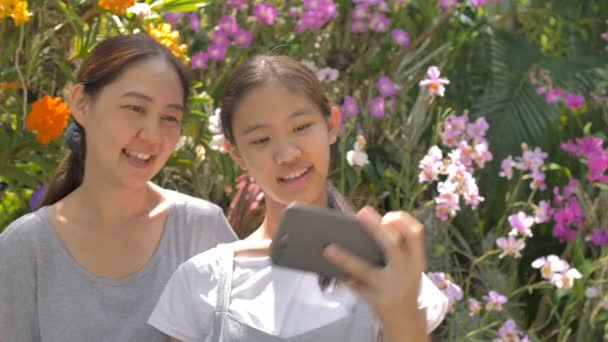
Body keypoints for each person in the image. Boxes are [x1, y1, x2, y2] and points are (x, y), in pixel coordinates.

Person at [148, 54, 449, 342]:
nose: (288, 154)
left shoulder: (387, 270)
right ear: (237, 153)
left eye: (301, 127)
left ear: (331, 124)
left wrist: (402, 310)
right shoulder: (201, 281)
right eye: (261, 140)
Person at [0, 34, 237, 342]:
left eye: (169, 117)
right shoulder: (24, 249)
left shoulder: (202, 231)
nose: (153, 135)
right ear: (82, 104)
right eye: (135, 108)